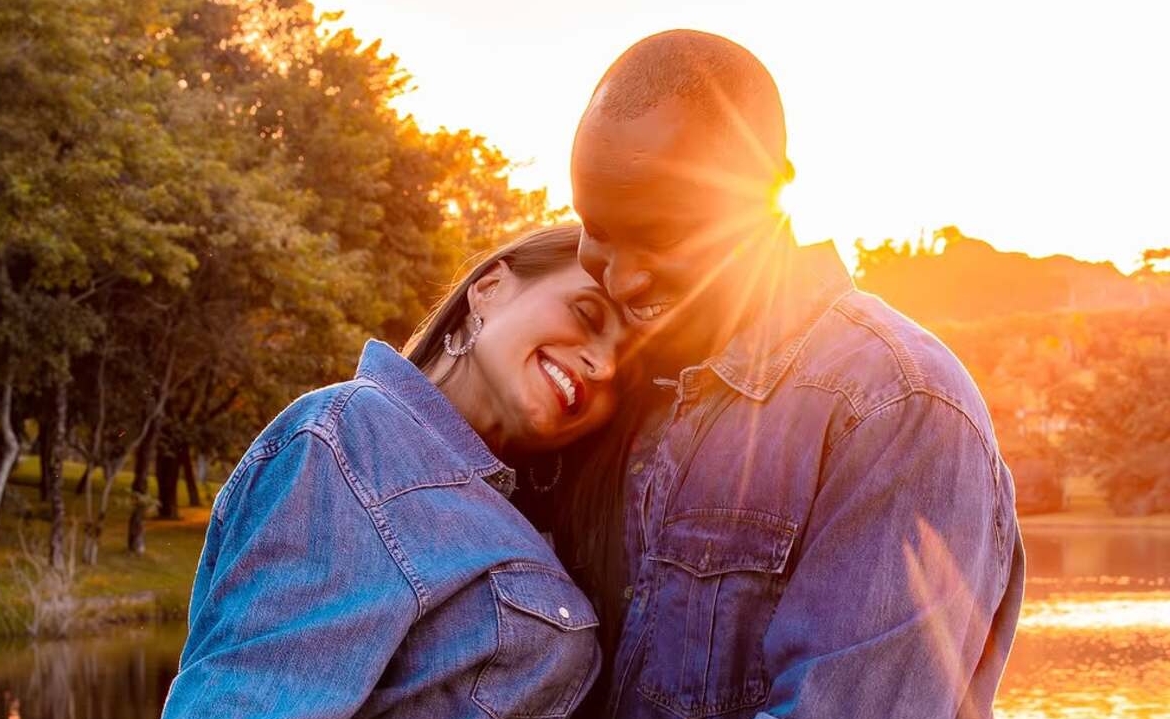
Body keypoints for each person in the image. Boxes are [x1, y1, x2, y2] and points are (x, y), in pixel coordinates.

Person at [565, 30, 1025, 718]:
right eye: (596, 228)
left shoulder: (899, 404)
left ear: (768, 193)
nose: (623, 278)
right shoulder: (602, 379)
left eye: (662, 236)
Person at [162, 224, 628, 719]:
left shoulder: (531, 517)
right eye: (586, 313)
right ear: (490, 289)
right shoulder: (356, 442)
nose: (603, 366)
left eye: (627, 371)